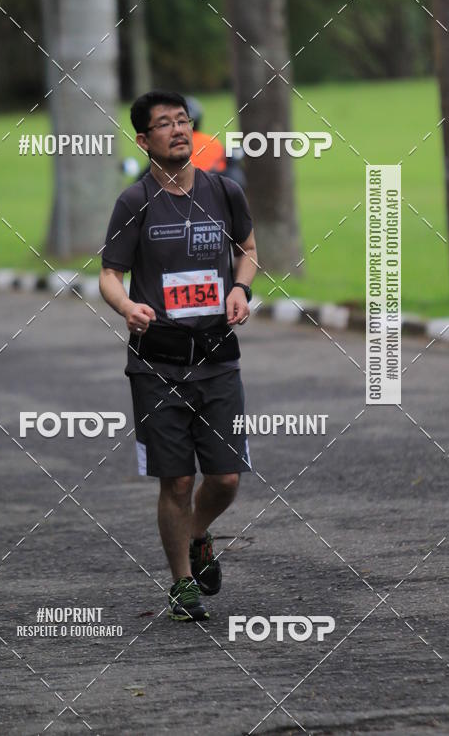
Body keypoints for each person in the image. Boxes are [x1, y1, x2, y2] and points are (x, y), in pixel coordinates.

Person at [100, 90, 257, 621]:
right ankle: (182, 585)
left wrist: (241, 290)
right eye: (164, 124)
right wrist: (126, 305)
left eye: (183, 120)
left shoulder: (224, 191)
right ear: (144, 140)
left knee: (226, 478)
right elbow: (109, 274)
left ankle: (197, 534)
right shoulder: (134, 202)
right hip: (156, 362)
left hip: (216, 356)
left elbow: (248, 250)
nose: (178, 130)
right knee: (178, 480)